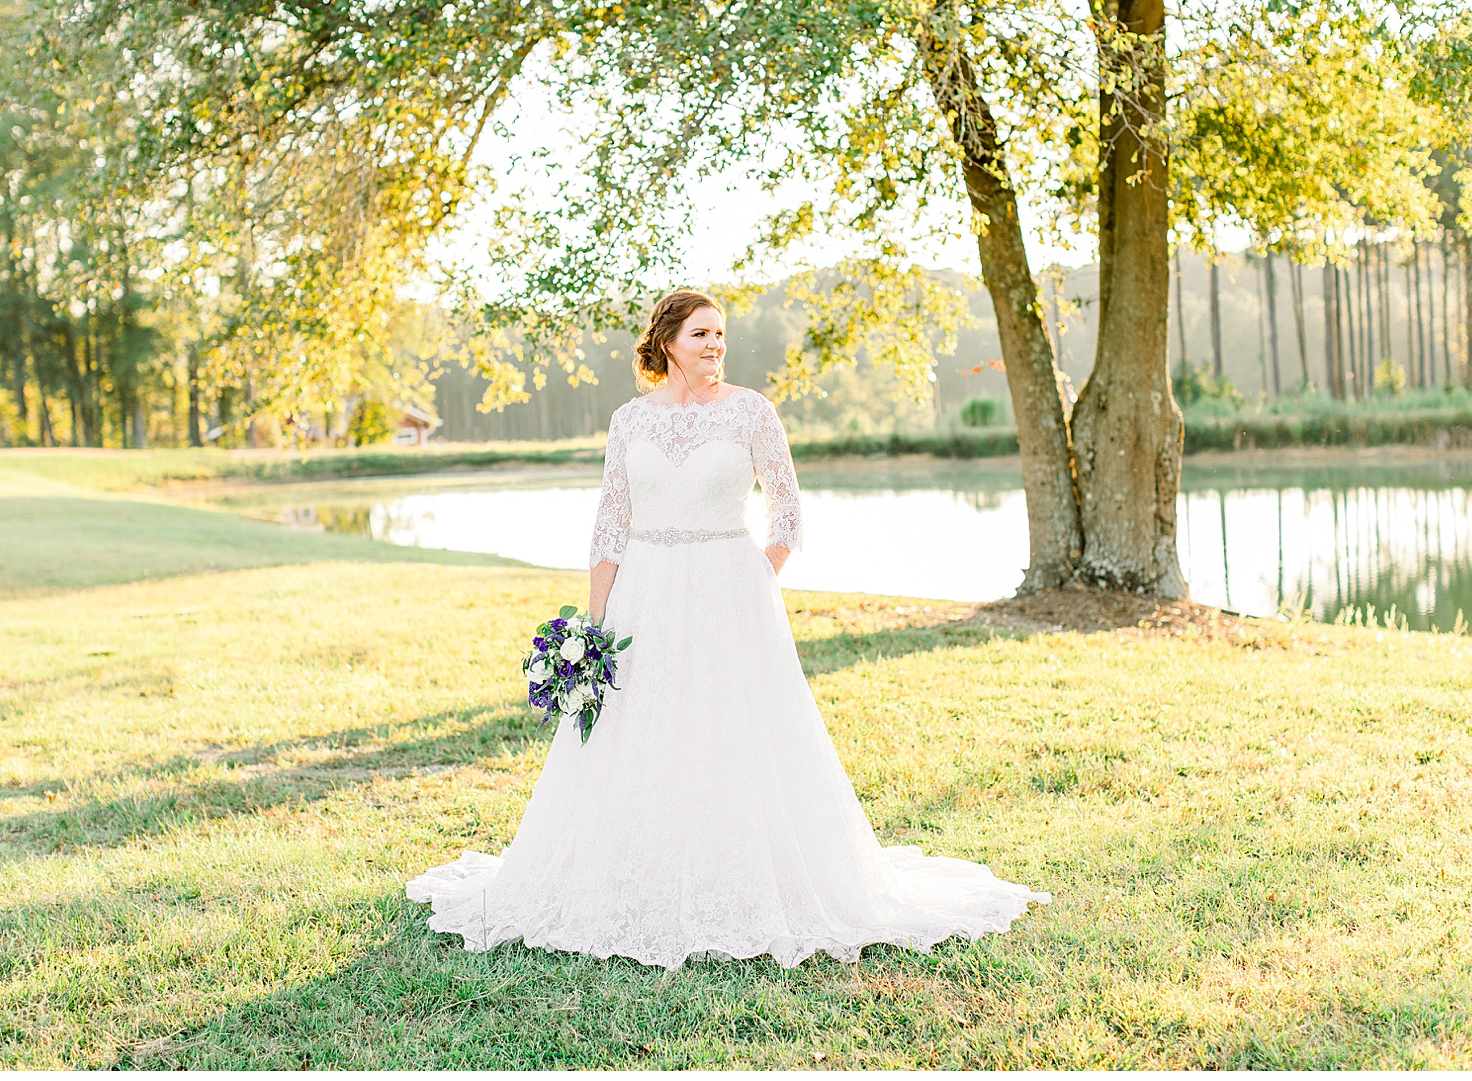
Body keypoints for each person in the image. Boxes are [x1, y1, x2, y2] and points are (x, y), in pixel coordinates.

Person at [407, 289, 1049, 969]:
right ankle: (636, 872)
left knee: (731, 728)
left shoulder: (751, 411)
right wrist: (592, 626)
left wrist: (753, 579)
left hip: (728, 590)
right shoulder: (628, 421)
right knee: (644, 729)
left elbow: (788, 514)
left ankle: (740, 874)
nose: (716, 344)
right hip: (643, 595)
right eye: (702, 333)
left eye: (721, 334)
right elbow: (609, 524)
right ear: (667, 340)